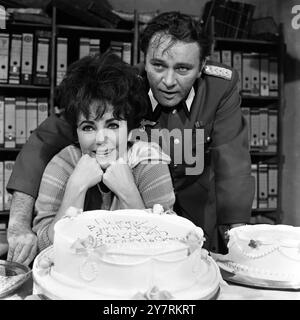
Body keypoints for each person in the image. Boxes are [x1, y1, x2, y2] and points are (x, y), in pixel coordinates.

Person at [6, 11, 254, 264]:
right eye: (157, 65)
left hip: (195, 210)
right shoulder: (122, 88)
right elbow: (44, 142)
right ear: (143, 60)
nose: (168, 81)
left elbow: (233, 163)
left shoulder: (219, 88)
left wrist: (237, 238)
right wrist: (18, 225)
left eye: (183, 69)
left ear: (201, 66)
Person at [32, 53, 175, 251]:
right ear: (76, 131)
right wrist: (76, 187)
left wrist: (128, 192)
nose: (100, 139)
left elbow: (167, 246)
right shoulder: (62, 164)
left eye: (113, 125)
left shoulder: (150, 162)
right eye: (88, 127)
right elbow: (45, 248)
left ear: (130, 128)